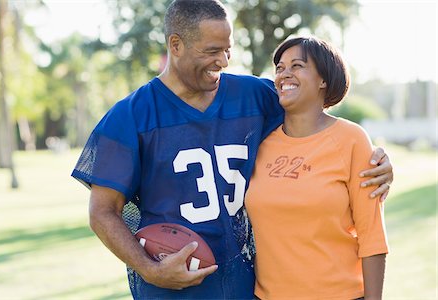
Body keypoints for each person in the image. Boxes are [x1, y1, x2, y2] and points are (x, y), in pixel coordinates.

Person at [71, 1, 393, 299]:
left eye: (227, 50)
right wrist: (150, 269)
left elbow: (315, 120)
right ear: (176, 46)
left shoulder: (254, 95)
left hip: (247, 286)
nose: (223, 62)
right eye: (212, 51)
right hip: (171, 290)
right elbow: (102, 212)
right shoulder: (130, 116)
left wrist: (374, 159)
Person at [245, 36, 389, 300]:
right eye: (279, 68)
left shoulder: (351, 139)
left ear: (323, 79)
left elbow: (372, 237)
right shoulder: (260, 143)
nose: (284, 74)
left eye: (297, 65)